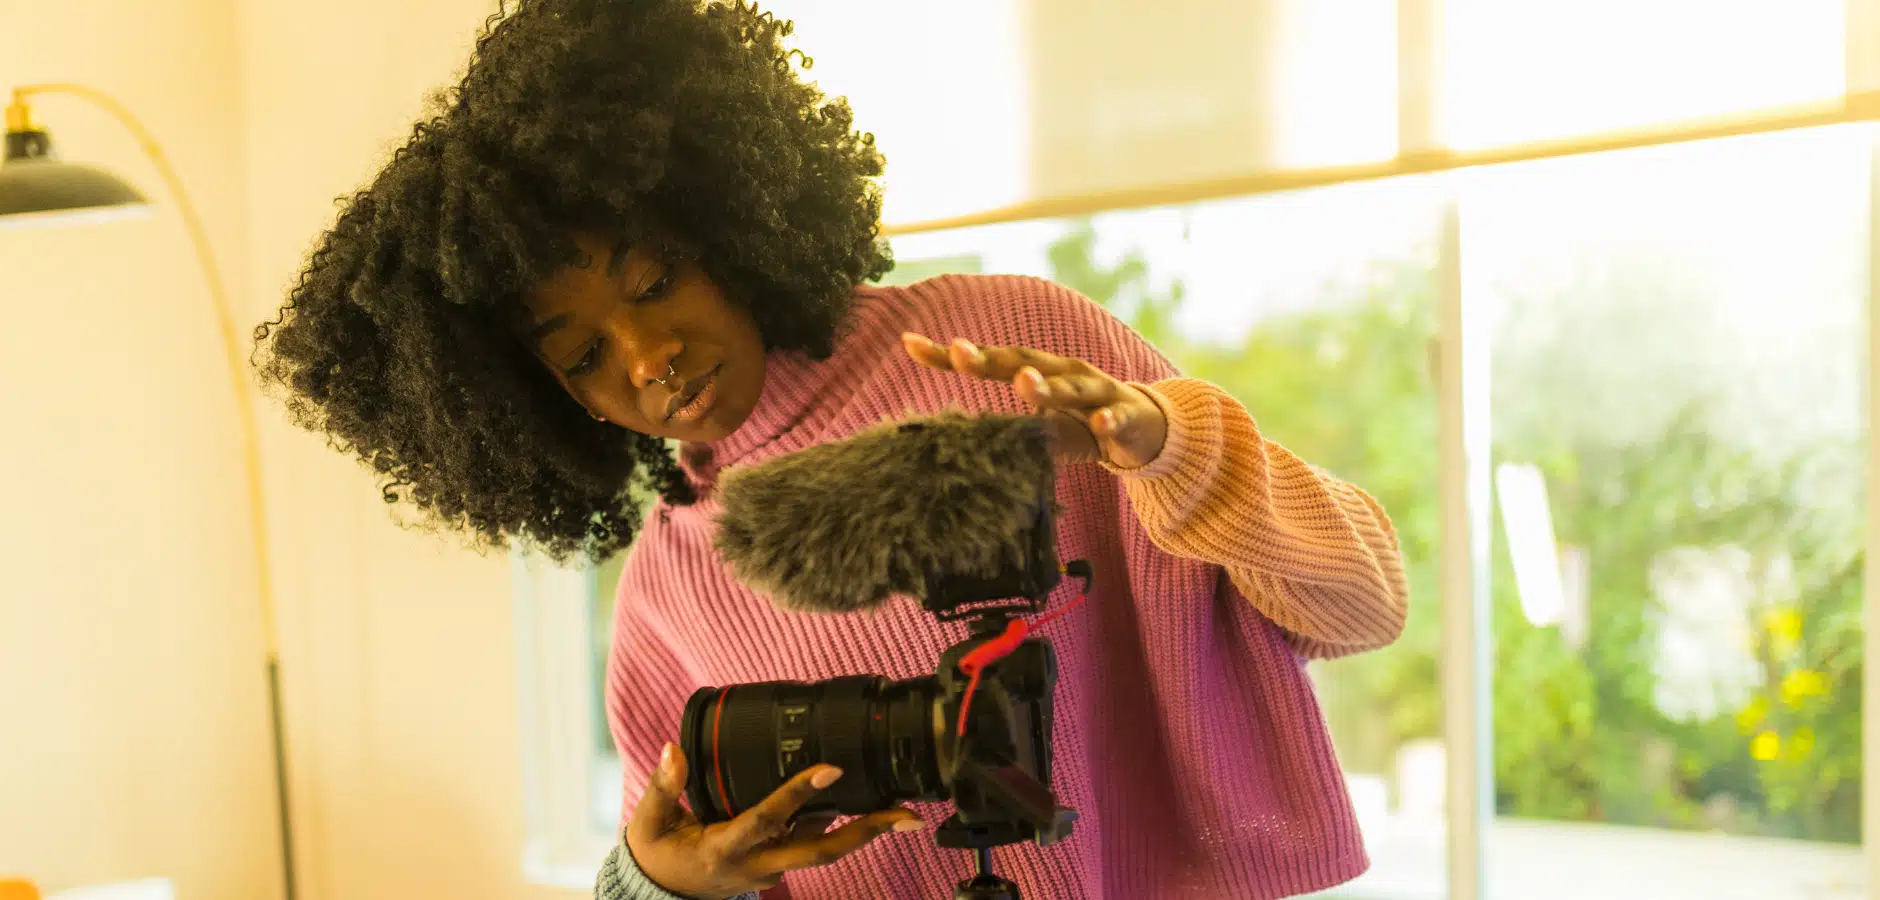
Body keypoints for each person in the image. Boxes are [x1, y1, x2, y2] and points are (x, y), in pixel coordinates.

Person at [251, 0, 1410, 897]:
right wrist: (664, 884)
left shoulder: (1011, 347)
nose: (647, 353)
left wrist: (1161, 444)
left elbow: (1360, 604)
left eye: (655, 282)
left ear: (730, 227)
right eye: (581, 356)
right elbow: (665, 862)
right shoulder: (669, 593)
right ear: (534, 402)